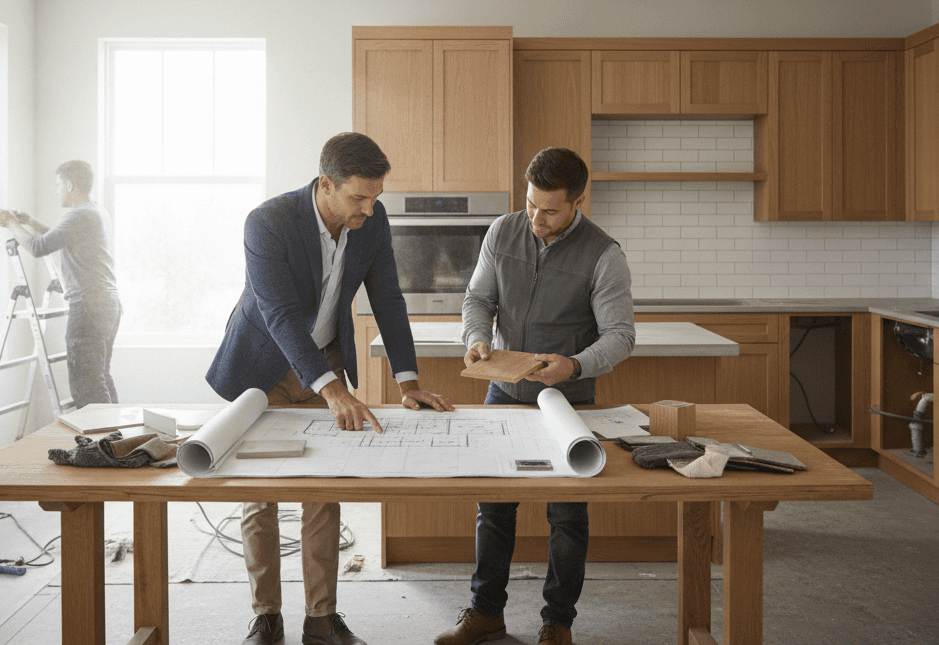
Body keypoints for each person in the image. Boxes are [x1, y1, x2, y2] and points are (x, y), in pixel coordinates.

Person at [207, 132, 455, 645]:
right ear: (326, 184)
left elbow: (388, 298)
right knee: (261, 493)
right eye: (359, 197)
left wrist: (408, 381)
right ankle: (266, 617)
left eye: (376, 197)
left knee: (324, 489)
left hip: (327, 360)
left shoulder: (372, 222)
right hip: (265, 370)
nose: (369, 208)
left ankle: (321, 620)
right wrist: (332, 389)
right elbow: (279, 315)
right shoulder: (268, 222)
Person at [435, 147, 635, 645]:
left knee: (566, 516)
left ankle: (557, 623)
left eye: (549, 210)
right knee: (493, 508)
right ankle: (486, 613)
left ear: (578, 202)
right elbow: (478, 298)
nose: (536, 219)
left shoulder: (604, 254)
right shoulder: (502, 232)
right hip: (502, 391)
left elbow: (620, 335)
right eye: (530, 204)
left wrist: (574, 364)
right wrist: (476, 338)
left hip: (567, 402)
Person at [0, 159, 121, 408]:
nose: (56, 190)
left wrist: (10, 223)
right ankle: (116, 433)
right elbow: (61, 236)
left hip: (89, 306)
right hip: (108, 304)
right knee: (100, 378)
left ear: (70, 185)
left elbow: (38, 247)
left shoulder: (79, 214)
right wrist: (30, 222)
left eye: (58, 185)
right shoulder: (95, 211)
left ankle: (99, 435)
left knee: (87, 385)